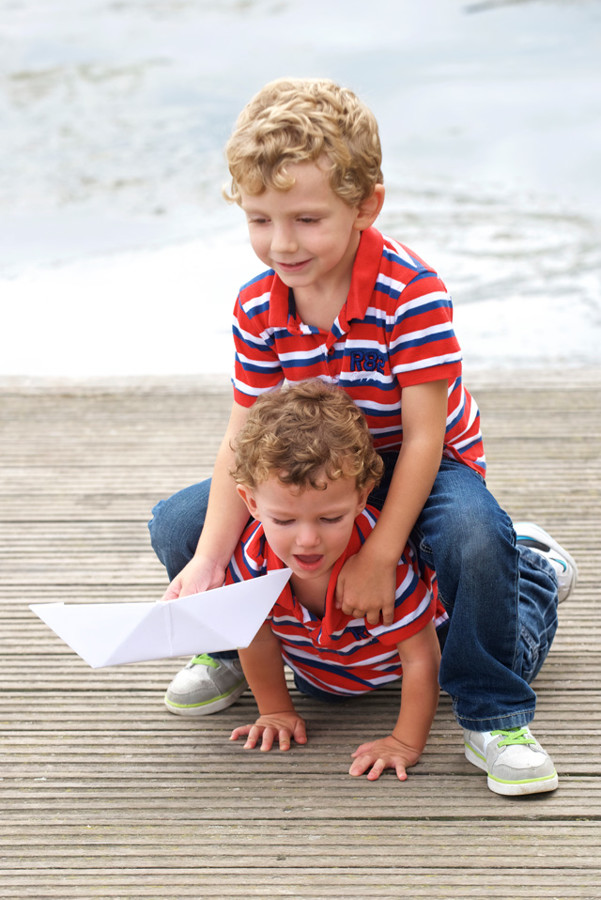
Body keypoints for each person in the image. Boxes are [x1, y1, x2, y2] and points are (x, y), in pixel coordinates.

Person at [148, 77, 578, 795]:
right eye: (259, 220)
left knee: (471, 536)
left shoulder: (410, 291)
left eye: (307, 220)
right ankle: (230, 642)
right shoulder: (258, 307)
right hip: (315, 468)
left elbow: (422, 438)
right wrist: (208, 565)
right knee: (181, 523)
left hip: (417, 459)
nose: (281, 243)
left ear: (365, 205)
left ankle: (492, 710)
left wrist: (380, 552)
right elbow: (243, 436)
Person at [226, 380, 444, 781]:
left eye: (330, 519)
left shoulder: (382, 568)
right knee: (321, 691)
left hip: (420, 651)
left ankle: (536, 571)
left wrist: (405, 742)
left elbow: (421, 657)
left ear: (362, 498)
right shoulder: (252, 561)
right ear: (252, 503)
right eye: (284, 520)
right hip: (329, 678)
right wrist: (275, 710)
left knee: (511, 648)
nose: (307, 540)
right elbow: (255, 636)